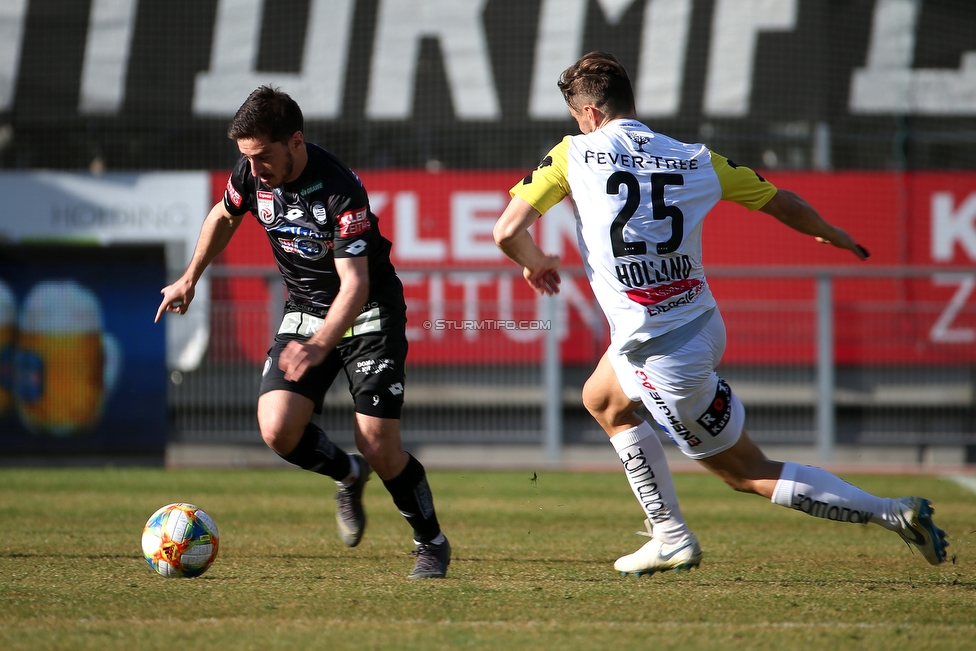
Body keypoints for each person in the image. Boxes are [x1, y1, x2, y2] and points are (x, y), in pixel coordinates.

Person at [493, 51, 948, 576]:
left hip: (660, 352)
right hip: (701, 323)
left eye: (577, 117)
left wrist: (536, 263)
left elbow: (507, 231)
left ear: (590, 114)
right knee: (601, 397)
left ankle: (895, 514)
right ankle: (669, 534)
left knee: (746, 471)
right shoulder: (693, 157)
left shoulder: (574, 154)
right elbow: (781, 201)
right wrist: (828, 231)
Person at [155, 86, 450, 579]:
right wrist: (190, 277)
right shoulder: (251, 175)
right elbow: (224, 215)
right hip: (307, 309)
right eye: (246, 158)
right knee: (277, 428)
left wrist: (318, 345)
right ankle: (348, 474)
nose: (254, 169)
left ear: (295, 141)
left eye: (263, 156)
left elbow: (355, 286)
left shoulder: (339, 189)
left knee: (378, 443)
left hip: (370, 311)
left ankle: (431, 542)